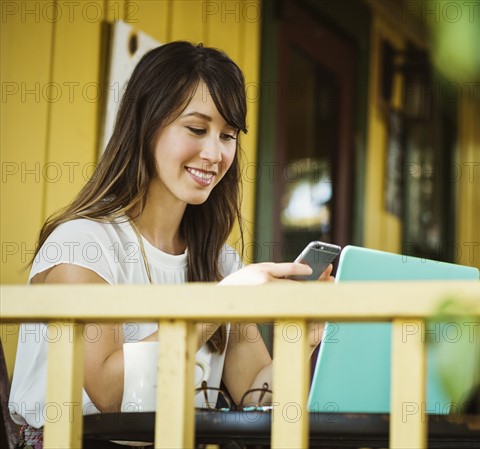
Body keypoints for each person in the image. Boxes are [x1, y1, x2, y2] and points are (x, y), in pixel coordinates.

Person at [9, 41, 332, 448]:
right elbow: (110, 394)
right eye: (197, 129)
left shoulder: (220, 263)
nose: (215, 153)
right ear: (147, 125)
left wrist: (301, 337)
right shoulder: (82, 244)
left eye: (228, 136)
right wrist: (221, 303)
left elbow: (258, 395)